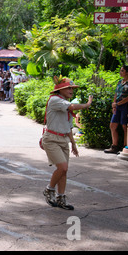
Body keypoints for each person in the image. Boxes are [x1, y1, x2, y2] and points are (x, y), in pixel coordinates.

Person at [42, 77, 93, 210]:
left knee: (64, 172)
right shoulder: (55, 100)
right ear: (60, 89)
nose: (71, 90)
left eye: (72, 88)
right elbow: (73, 106)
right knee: (62, 167)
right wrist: (87, 105)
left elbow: (68, 126)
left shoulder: (64, 103)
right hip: (52, 139)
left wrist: (73, 144)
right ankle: (49, 189)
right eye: (69, 88)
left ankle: (61, 198)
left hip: (63, 139)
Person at [104, 65, 128, 154]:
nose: (120, 72)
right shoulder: (120, 82)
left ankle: (125, 146)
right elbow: (116, 94)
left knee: (125, 126)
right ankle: (114, 146)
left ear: (127, 72)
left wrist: (119, 103)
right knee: (113, 125)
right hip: (117, 106)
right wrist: (114, 104)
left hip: (125, 106)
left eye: (122, 71)